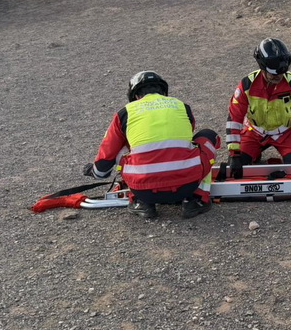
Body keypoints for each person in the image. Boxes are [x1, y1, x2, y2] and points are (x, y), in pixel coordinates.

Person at [84, 71, 220, 220]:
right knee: (207, 137)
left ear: (135, 96)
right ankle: (197, 200)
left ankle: (140, 202)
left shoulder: (125, 113)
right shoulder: (182, 106)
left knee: (122, 145)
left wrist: (95, 172)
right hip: (187, 186)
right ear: (163, 91)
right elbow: (187, 136)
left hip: (144, 191)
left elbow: (106, 158)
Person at [225, 39, 291, 177]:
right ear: (262, 68)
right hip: (254, 132)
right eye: (274, 74)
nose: (279, 77)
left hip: (287, 132)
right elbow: (234, 118)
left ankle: (259, 154)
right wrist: (234, 153)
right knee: (236, 169)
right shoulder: (247, 85)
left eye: (282, 73)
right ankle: (253, 153)